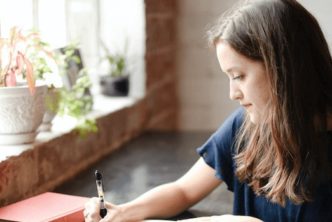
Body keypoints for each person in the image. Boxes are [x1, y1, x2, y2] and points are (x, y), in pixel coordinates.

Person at [84, 0, 332, 221]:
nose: (232, 93)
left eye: (239, 76)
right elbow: (183, 191)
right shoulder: (245, 126)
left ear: (283, 69)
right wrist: (125, 211)